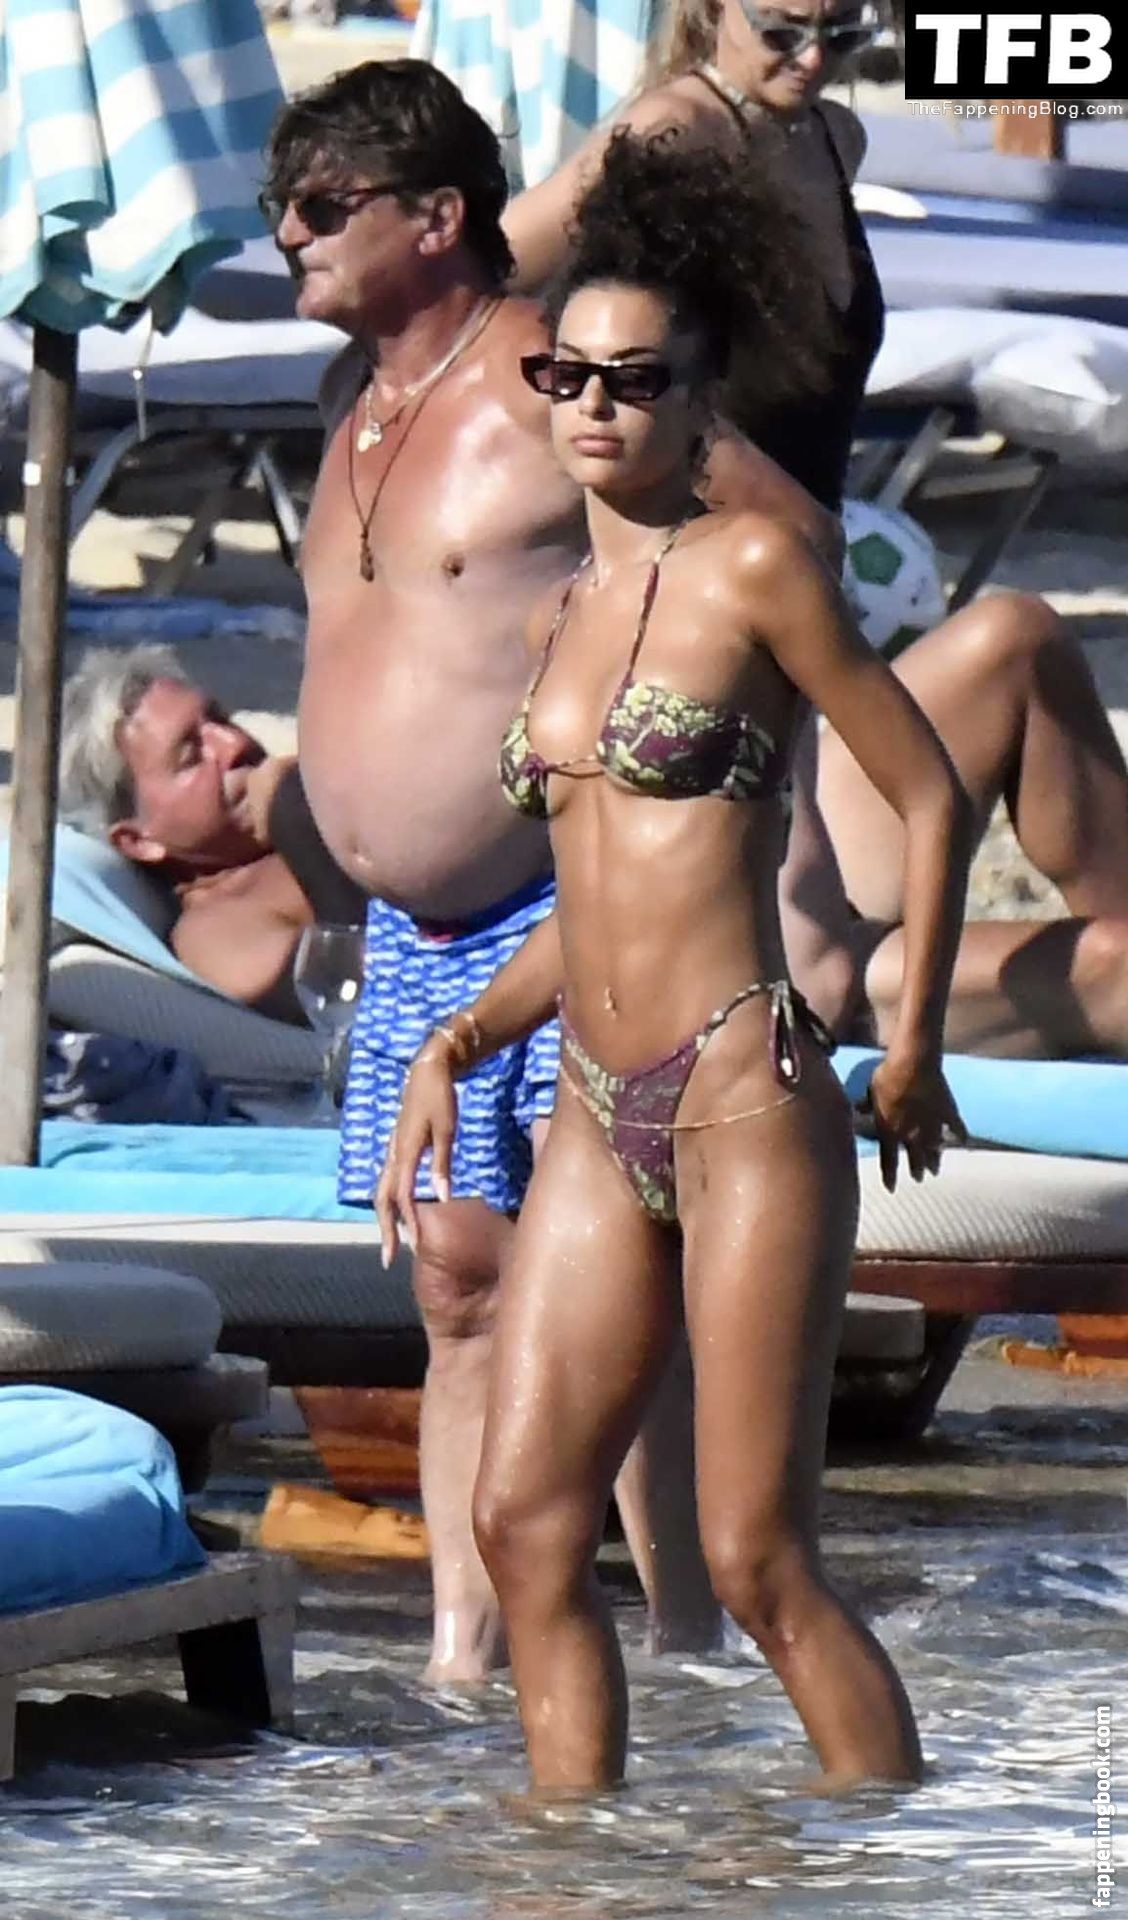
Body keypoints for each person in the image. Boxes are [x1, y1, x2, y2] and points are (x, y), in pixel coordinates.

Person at [377, 131, 973, 1792]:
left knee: (757, 1561)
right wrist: (455, 1042)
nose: (593, 405)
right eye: (565, 372)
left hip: (741, 1096)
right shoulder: (558, 614)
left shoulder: (758, 570)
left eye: (635, 381)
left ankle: (893, 1864)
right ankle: (585, 1878)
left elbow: (928, 795)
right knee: (525, 1530)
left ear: (701, 400)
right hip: (591, 1100)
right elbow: (594, 900)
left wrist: (911, 1043)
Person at [260, 57, 836, 1683]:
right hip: (406, 930)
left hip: (561, 902)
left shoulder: (548, 380)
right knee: (451, 1287)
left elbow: (779, 541)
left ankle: (687, 1647)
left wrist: (730, 801)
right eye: (280, 209)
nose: (288, 237)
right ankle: (462, 1663)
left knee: (617, 1288)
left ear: (436, 218)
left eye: (321, 208)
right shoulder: (348, 404)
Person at [500, 0, 1128, 1060]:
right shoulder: (670, 130)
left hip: (815, 656)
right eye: (785, 29)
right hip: (728, 678)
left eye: (846, 32)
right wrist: (712, 455)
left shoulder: (830, 137)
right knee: (834, 974)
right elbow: (488, 283)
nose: (815, 58)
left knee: (1020, 637)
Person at [58, 645, 363, 1024]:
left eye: (221, 719)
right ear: (139, 841)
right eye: (191, 756)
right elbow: (346, 999)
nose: (236, 744)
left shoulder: (306, 811)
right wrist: (295, 819)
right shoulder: (215, 932)